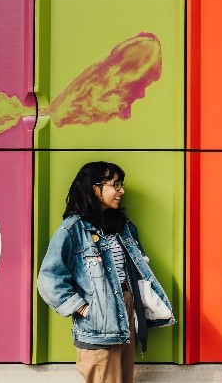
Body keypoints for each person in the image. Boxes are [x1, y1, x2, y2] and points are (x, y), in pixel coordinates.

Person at [38, 161, 175, 383]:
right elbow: (49, 278)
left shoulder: (124, 227)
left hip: (126, 311)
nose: (122, 190)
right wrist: (81, 308)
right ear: (95, 188)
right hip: (99, 321)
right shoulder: (73, 229)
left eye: (121, 184)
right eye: (116, 184)